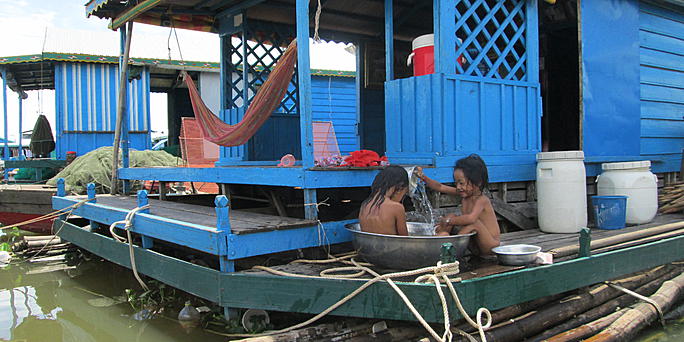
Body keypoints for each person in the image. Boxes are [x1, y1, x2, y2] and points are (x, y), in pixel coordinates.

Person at [416, 154, 501, 254]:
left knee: (473, 223)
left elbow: (471, 219)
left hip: (491, 246)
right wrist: (423, 177)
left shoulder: (482, 200)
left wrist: (448, 221)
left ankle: (453, 244)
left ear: (478, 183)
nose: (458, 187)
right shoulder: (464, 194)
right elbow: (440, 187)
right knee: (452, 216)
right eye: (456, 183)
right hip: (475, 245)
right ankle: (440, 238)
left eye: (461, 183)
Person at [359, 165, 409, 236]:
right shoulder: (397, 207)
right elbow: (405, 239)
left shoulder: (365, 204)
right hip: (392, 246)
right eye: (404, 194)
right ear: (400, 188)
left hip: (367, 246)